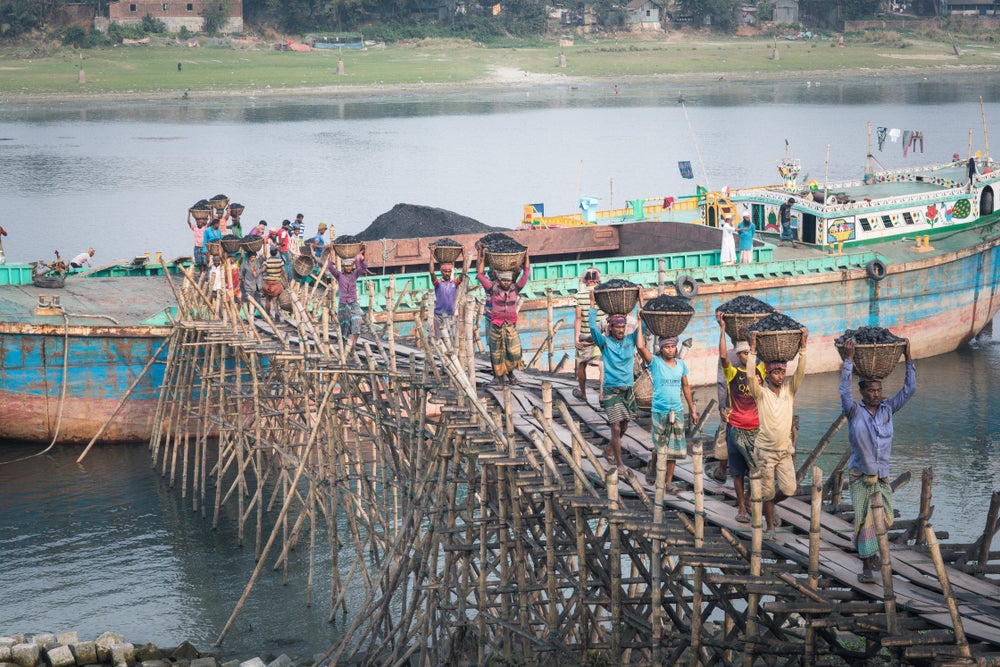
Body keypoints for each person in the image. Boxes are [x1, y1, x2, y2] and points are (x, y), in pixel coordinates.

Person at [840, 338, 916, 584]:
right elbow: (843, 391)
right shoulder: (854, 411)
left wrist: (909, 359)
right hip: (860, 477)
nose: (875, 394)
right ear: (862, 391)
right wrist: (849, 361)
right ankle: (866, 568)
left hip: (881, 476)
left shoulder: (887, 409)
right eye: (870, 390)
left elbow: (910, 390)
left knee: (883, 517)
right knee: (864, 521)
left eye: (878, 390)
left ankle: (870, 555)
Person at [746, 326, 808, 539]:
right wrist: (753, 350)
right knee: (769, 491)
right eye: (776, 372)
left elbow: (800, 372)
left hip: (784, 452)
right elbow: (749, 376)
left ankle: (767, 505)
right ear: (768, 374)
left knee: (789, 489)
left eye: (782, 372)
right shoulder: (761, 394)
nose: (780, 376)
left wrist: (803, 348)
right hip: (764, 452)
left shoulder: (789, 392)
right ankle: (770, 525)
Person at [716, 313, 766, 524]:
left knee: (757, 470)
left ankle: (748, 499)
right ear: (739, 356)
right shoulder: (732, 374)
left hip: (756, 429)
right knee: (737, 472)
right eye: (743, 354)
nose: (746, 357)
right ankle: (742, 507)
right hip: (735, 427)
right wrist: (722, 329)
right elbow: (723, 357)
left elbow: (772, 358)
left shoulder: (761, 372)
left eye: (749, 353)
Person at [589, 291, 644, 471]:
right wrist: (591, 304)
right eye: (617, 327)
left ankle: (609, 448)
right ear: (611, 328)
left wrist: (640, 304)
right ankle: (619, 463)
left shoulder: (630, 339)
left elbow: (641, 331)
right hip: (611, 390)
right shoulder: (605, 343)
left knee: (625, 425)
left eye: (623, 327)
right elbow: (592, 328)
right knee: (616, 428)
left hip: (627, 389)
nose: (620, 330)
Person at [637, 334, 696, 494]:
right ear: (661, 349)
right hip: (659, 410)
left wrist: (692, 409)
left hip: (676, 410)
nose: (670, 350)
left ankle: (668, 483)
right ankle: (652, 463)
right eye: (666, 347)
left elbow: (686, 386)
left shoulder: (681, 365)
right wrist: (641, 321)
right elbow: (641, 348)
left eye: (672, 347)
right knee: (659, 446)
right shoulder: (655, 363)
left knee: (673, 449)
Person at [476, 245, 530, 387]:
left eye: (508, 280)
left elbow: (526, 272)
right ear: (499, 280)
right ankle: (500, 379)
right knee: (497, 353)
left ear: (511, 280)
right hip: (496, 325)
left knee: (514, 351)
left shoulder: (515, 289)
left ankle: (511, 375)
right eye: (503, 280)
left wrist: (526, 255)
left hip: (510, 325)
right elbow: (480, 275)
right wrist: (481, 256)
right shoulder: (492, 289)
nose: (506, 282)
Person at [572, 268, 605, 403]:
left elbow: (578, 318)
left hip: (585, 336)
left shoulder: (579, 296)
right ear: (598, 280)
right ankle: (602, 395)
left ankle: (583, 393)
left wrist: (576, 336)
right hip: (601, 335)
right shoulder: (603, 294)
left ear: (585, 280)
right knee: (602, 366)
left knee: (581, 364)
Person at [328, 244, 368, 347]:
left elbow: (364, 266)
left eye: (350, 265)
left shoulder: (355, 274)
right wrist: (331, 251)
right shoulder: (339, 275)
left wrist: (364, 250)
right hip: (343, 304)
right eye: (346, 266)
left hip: (353, 303)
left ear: (352, 266)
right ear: (343, 266)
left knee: (356, 324)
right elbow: (330, 266)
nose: (348, 267)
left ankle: (353, 344)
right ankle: (346, 344)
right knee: (344, 325)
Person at [429, 247, 465, 343]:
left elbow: (464, 272)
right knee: (440, 339)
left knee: (451, 338)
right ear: (441, 272)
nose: (447, 273)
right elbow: (431, 272)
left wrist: (463, 254)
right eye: (445, 271)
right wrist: (432, 253)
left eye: (449, 271)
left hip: (450, 315)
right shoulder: (438, 283)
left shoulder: (455, 283)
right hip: (439, 315)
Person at [260, 246, 287, 319]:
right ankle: (276, 313)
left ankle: (267, 316)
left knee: (267, 299)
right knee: (275, 300)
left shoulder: (267, 261)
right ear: (277, 253)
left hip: (267, 282)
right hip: (276, 283)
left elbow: (262, 270)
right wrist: (287, 283)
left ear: (270, 253)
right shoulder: (280, 261)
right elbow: (284, 272)